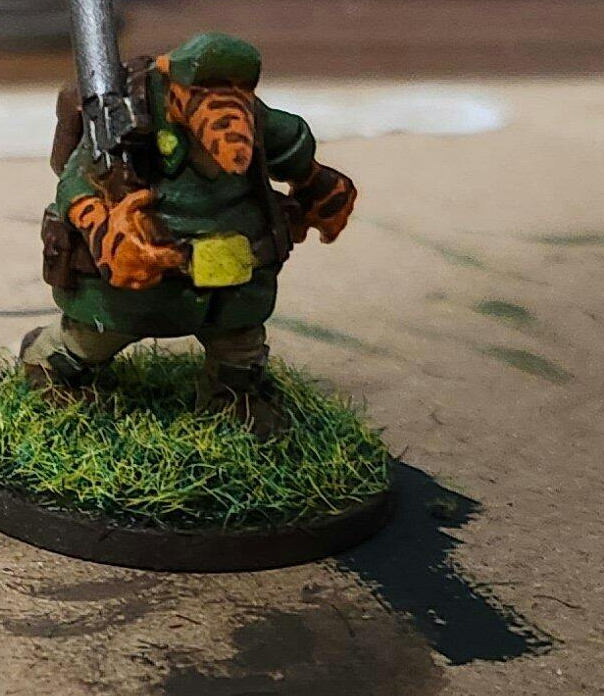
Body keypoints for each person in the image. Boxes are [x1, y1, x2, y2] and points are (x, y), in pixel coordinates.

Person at [26, 30, 358, 430]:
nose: (225, 109)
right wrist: (102, 229)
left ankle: (231, 400)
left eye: (234, 93)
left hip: (233, 277)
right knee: (93, 337)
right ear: (176, 88)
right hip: (140, 274)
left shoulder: (256, 119)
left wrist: (320, 187)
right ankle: (48, 369)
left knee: (238, 344)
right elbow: (75, 182)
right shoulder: (126, 121)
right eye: (205, 93)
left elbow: (296, 154)